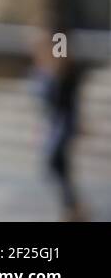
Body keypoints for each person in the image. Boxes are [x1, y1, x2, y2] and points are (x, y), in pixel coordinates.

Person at [32, 28, 87, 221]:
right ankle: (73, 207)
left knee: (56, 162)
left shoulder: (62, 67)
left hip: (64, 122)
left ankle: (74, 208)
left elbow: (64, 94)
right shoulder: (44, 67)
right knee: (58, 165)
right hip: (56, 122)